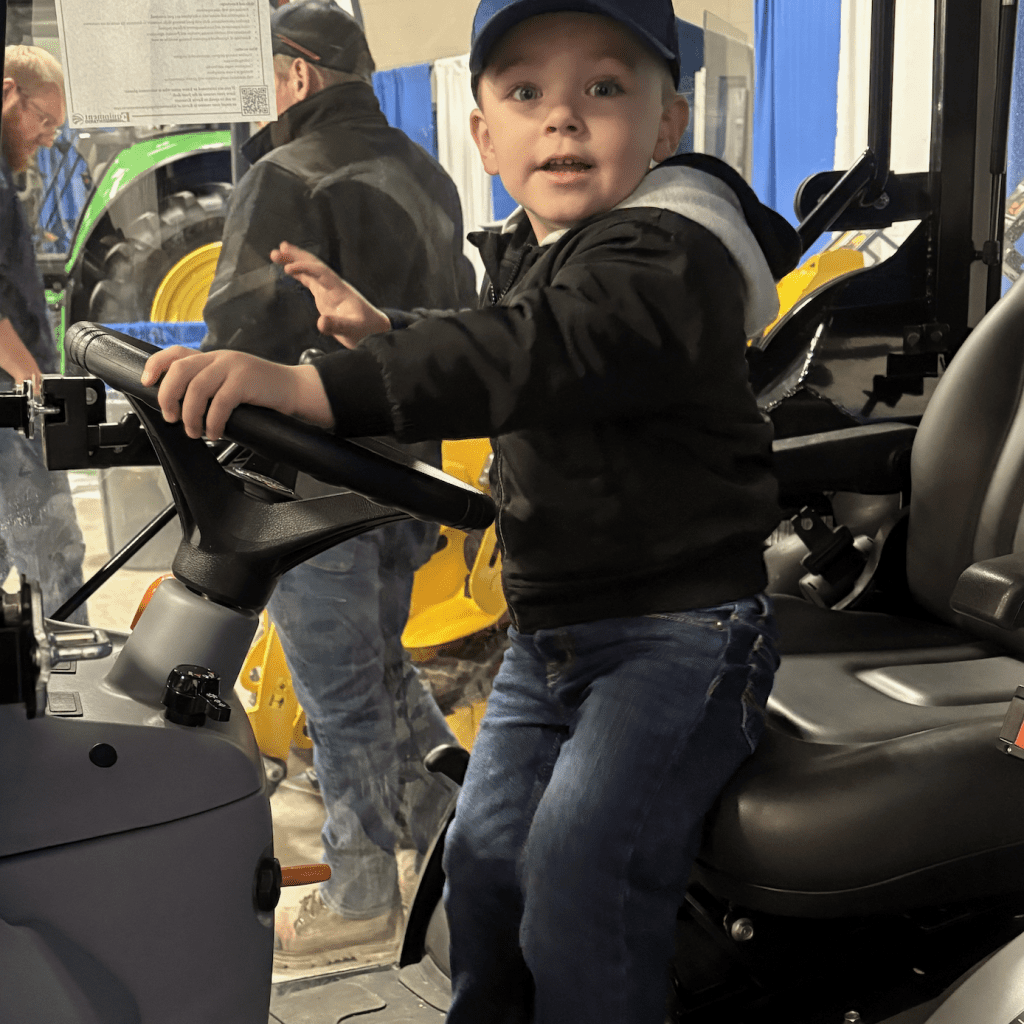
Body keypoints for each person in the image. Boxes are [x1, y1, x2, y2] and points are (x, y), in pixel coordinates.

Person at [142, 0, 802, 1018]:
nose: (564, 118)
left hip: (679, 636)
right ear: (485, 134)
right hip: (556, 639)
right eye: (527, 92)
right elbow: (513, 333)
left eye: (605, 88)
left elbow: (541, 346)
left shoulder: (671, 253)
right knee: (483, 865)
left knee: (577, 886)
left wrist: (315, 385)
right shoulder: (558, 253)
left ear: (668, 124)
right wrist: (388, 328)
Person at [199, 0, 477, 966]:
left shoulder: (285, 173)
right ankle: (464, 827)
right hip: (408, 477)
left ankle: (361, 892)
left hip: (307, 486)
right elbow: (457, 328)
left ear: (299, 75)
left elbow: (234, 336)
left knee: (339, 697)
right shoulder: (434, 174)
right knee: (383, 669)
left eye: (264, 75)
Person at [1, 46, 87, 624]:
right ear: (9, 93)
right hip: (11, 403)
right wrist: (33, 380)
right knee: (53, 554)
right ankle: (67, 693)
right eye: (45, 119)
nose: (50, 137)